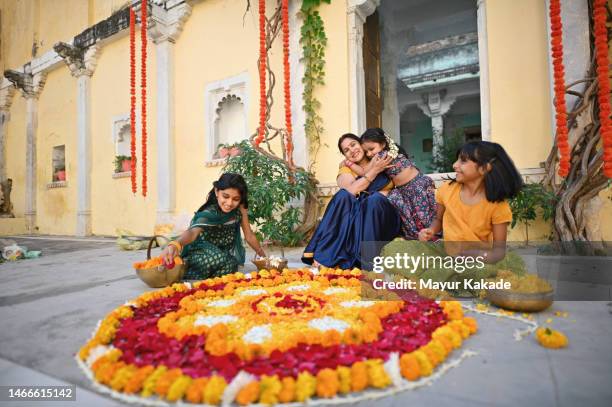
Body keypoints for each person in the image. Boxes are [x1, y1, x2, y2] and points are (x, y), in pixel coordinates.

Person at [302, 133, 400, 269]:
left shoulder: (380, 157)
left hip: (385, 216)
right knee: (343, 196)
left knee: (374, 199)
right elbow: (350, 192)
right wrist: (374, 171)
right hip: (360, 218)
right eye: (346, 150)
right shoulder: (346, 169)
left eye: (353, 144)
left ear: (361, 144)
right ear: (345, 156)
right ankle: (325, 255)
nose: (352, 150)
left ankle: (368, 261)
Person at [161, 173, 266, 279]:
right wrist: (176, 243)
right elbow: (193, 233)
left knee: (231, 264)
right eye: (225, 196)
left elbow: (249, 235)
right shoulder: (210, 212)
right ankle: (188, 268)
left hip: (222, 253)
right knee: (220, 259)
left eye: (235, 199)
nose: (229, 203)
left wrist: (265, 258)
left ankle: (212, 275)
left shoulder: (240, 209)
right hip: (201, 252)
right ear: (217, 192)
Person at [354, 128, 437, 240]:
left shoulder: (381, 156)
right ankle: (425, 234)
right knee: (417, 212)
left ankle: (429, 234)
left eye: (371, 149)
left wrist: (349, 164)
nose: (369, 154)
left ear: (383, 144)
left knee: (423, 214)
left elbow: (364, 171)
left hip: (415, 186)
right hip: (410, 186)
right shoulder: (394, 152)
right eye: (366, 151)